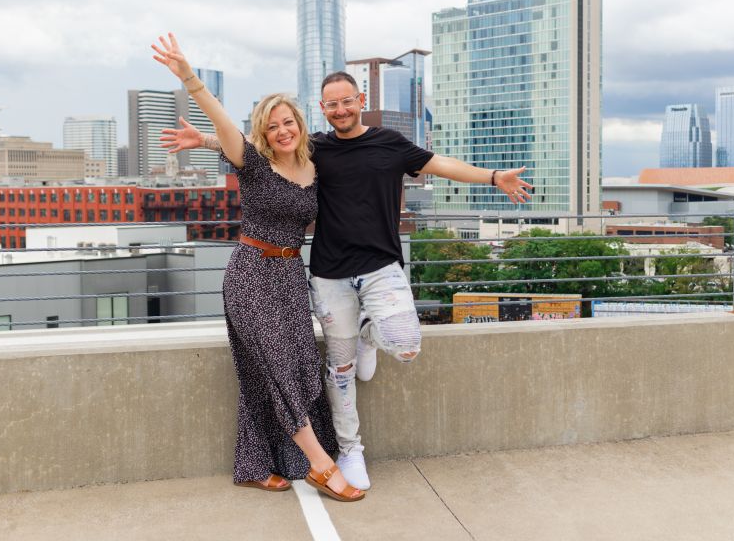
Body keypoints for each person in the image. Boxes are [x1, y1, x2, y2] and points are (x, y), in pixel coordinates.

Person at [161, 69, 531, 490]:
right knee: (315, 369)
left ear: (359, 100)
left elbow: (438, 163)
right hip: (309, 274)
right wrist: (203, 127)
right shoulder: (312, 148)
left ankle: (366, 336)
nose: (339, 109)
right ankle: (342, 453)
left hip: (347, 271)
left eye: (346, 101)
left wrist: (493, 176)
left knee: (397, 347)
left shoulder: (374, 144)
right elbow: (251, 147)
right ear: (322, 109)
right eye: (331, 103)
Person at [151, 34, 363, 502]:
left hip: (290, 278)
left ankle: (253, 465)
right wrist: (190, 77)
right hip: (250, 274)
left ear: (300, 125)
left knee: (275, 369)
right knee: (278, 367)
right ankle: (321, 465)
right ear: (262, 134)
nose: (282, 131)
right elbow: (221, 121)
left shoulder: (314, 165)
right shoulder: (252, 163)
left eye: (288, 122)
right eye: (272, 127)